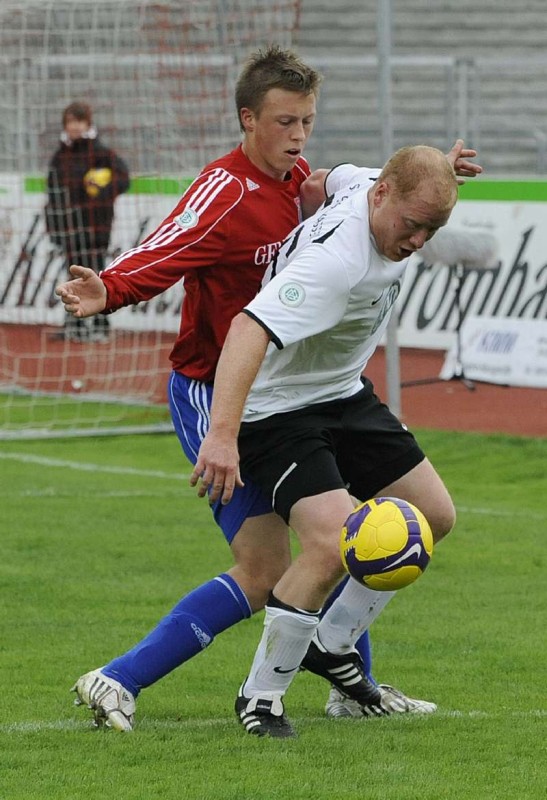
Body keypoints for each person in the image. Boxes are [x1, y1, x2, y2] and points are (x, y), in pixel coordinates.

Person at [56, 47, 479, 732]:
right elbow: (169, 244)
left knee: (336, 539)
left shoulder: (302, 180)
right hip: (215, 389)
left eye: (307, 121)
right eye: (285, 122)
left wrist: (432, 176)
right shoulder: (227, 190)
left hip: (299, 386)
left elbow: (345, 186)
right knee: (272, 564)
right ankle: (121, 679)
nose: (299, 136)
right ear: (248, 119)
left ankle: (346, 683)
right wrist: (111, 288)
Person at [190, 145, 459, 738]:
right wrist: (223, 434)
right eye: (413, 224)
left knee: (433, 516)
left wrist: (440, 165)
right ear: (382, 196)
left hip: (340, 392)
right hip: (276, 408)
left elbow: (318, 181)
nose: (418, 240)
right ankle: (261, 697)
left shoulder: (369, 182)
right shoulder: (335, 264)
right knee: (334, 542)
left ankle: (331, 645)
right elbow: (246, 328)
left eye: (432, 229)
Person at [46, 101, 130, 342]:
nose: (74, 126)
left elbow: (123, 180)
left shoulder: (101, 152)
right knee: (72, 275)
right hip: (69, 228)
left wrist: (100, 194)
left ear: (88, 124)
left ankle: (101, 324)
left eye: (79, 121)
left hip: (96, 227)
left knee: (96, 274)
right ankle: (75, 324)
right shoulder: (60, 156)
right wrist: (53, 226)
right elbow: (53, 194)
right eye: (70, 122)